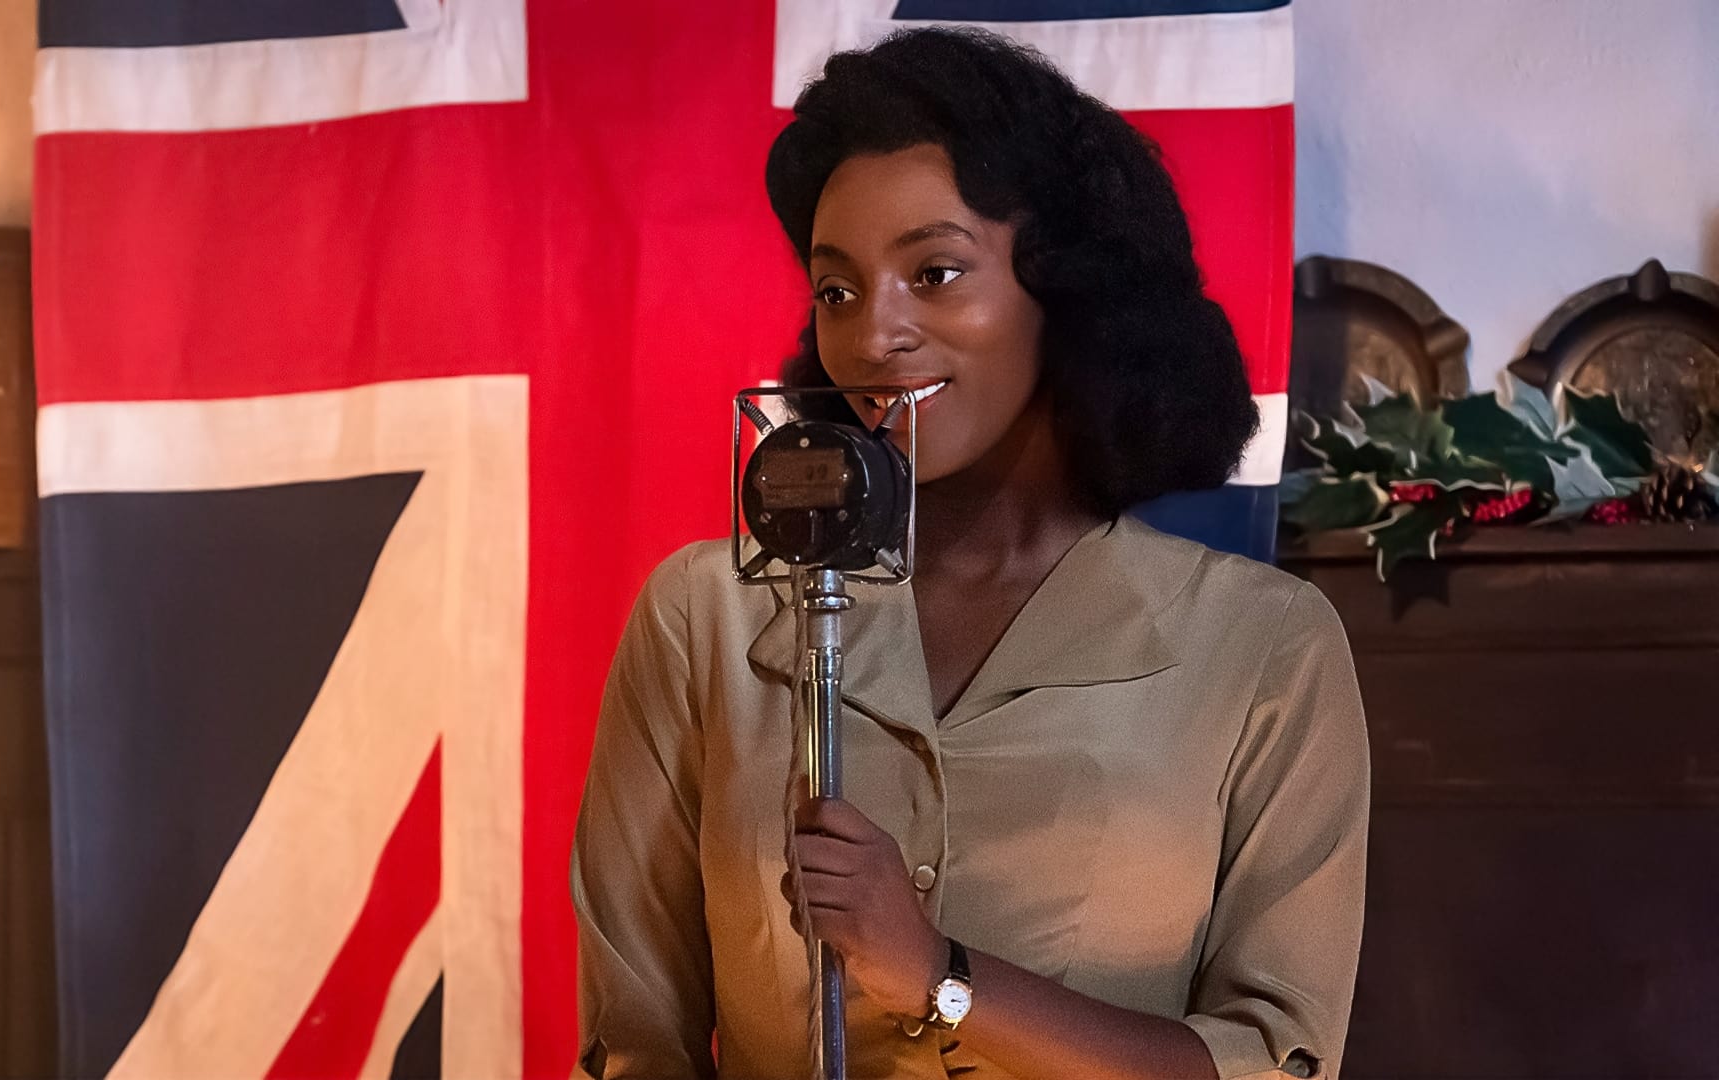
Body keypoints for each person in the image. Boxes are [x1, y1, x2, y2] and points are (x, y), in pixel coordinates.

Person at [571, 26, 1368, 1080]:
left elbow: (1273, 1061)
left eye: (935, 273)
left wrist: (941, 978)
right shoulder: (704, 616)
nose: (874, 336)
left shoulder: (1263, 648)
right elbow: (636, 1048)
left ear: (1066, 292)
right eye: (838, 290)